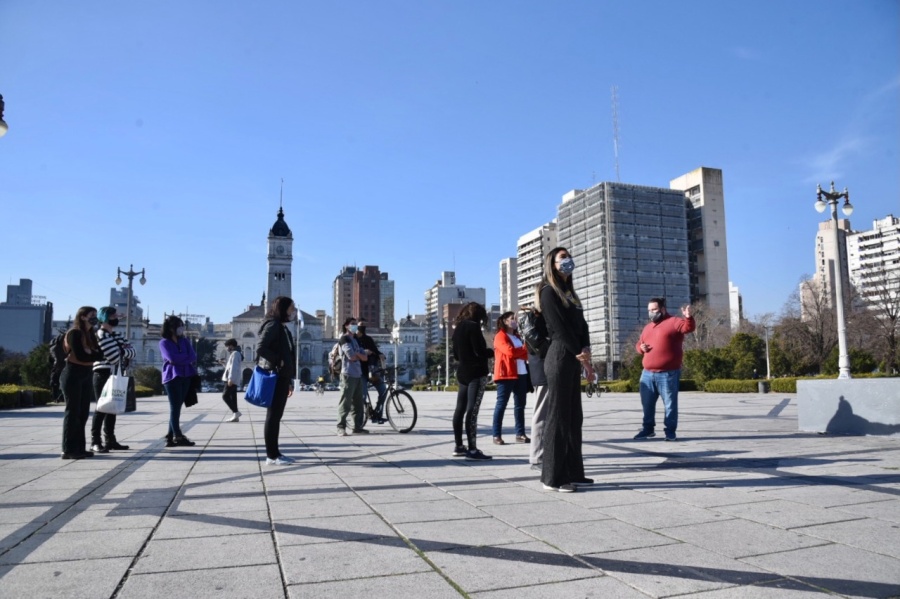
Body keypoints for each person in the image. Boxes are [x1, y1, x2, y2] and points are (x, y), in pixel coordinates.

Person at [539, 247, 594, 492]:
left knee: (574, 417)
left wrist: (586, 349)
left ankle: (574, 472)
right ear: (552, 263)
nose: (567, 260)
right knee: (558, 417)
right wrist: (577, 351)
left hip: (574, 355)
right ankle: (553, 477)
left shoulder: (570, 293)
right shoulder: (548, 291)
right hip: (560, 354)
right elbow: (558, 327)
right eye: (562, 257)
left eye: (568, 256)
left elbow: (582, 324)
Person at [634, 297, 695, 442]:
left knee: (670, 404)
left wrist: (688, 317)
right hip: (647, 374)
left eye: (654, 310)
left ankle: (670, 432)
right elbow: (639, 344)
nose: (651, 313)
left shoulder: (673, 322)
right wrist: (640, 348)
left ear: (662, 309)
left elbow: (688, 328)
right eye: (649, 310)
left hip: (668, 374)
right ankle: (648, 430)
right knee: (647, 404)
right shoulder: (648, 327)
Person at [256, 296, 298, 464]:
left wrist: (288, 380)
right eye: (291, 309)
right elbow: (260, 348)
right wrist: (278, 361)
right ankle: (271, 455)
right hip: (276, 375)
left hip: (282, 377)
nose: (293, 312)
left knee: (276, 417)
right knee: (273, 417)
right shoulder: (273, 325)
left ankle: (275, 453)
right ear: (283, 309)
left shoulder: (282, 327)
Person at [451, 302, 493, 461]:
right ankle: (473, 449)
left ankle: (458, 446)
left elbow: (455, 355)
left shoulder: (458, 328)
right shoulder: (473, 327)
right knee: (472, 410)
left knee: (459, 409)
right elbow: (479, 351)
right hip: (476, 372)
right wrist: (491, 352)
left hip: (462, 372)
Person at [60, 306, 104, 459]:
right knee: (73, 412)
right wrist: (91, 354)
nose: (95, 317)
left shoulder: (90, 334)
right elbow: (80, 355)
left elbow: (100, 354)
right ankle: (68, 449)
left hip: (86, 374)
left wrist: (90, 353)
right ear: (83, 317)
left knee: (83, 412)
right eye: (92, 315)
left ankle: (79, 447)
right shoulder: (74, 333)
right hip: (73, 373)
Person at [91, 307, 135, 453]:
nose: (116, 317)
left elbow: (132, 352)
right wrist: (122, 350)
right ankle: (95, 441)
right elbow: (113, 357)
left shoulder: (116, 335)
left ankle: (110, 439)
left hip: (115, 373)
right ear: (105, 317)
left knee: (112, 408)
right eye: (113, 315)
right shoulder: (101, 334)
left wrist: (122, 350)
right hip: (102, 373)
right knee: (102, 407)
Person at [520, 287, 550, 471]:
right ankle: (537, 456)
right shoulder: (531, 317)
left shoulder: (546, 315)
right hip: (542, 368)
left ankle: (546, 453)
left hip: (549, 367)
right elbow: (536, 343)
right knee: (541, 413)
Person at [159, 315, 198, 447]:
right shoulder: (164, 342)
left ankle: (170, 437)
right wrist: (184, 358)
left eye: (182, 326)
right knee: (174, 407)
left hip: (186, 376)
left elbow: (193, 356)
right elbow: (171, 359)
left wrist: (181, 358)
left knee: (177, 408)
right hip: (172, 377)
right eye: (179, 326)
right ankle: (178, 435)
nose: (181, 328)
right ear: (171, 328)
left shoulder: (185, 341)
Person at [492, 311, 530, 445]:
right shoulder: (500, 336)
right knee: (501, 404)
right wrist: (521, 352)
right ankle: (496, 435)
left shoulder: (518, 337)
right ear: (505, 321)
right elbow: (510, 352)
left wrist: (520, 353)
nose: (515, 320)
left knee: (520, 405)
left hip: (522, 373)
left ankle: (520, 434)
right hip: (506, 374)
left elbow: (527, 354)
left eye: (516, 318)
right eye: (512, 318)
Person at [336, 317, 368, 436]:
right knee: (345, 402)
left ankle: (357, 427)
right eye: (352, 324)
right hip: (348, 374)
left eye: (356, 324)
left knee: (358, 404)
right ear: (346, 325)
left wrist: (359, 355)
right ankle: (341, 426)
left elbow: (365, 358)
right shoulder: (344, 339)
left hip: (358, 374)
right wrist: (359, 355)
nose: (355, 326)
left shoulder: (355, 340)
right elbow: (351, 356)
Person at [356, 320, 387, 423]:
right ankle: (358, 423)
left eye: (364, 326)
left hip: (372, 371)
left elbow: (375, 350)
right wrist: (363, 352)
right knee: (363, 396)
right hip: (360, 372)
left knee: (383, 390)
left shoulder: (368, 339)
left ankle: (378, 414)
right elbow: (350, 353)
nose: (362, 328)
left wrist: (380, 355)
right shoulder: (353, 339)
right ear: (356, 326)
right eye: (360, 325)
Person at [221, 338, 242, 423]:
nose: (227, 348)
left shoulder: (235, 353)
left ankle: (236, 412)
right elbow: (230, 367)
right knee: (233, 398)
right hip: (232, 379)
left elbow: (234, 368)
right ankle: (235, 417)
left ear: (231, 346)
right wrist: (223, 364)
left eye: (227, 346)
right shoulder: (235, 353)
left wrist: (230, 379)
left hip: (231, 380)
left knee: (225, 396)